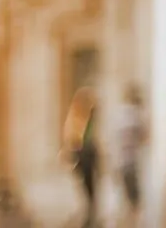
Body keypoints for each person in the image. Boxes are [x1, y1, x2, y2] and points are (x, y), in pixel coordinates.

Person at [62, 87, 100, 228]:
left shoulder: (87, 117)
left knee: (90, 188)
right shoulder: (76, 117)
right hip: (83, 154)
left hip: (88, 154)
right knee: (87, 188)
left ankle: (89, 216)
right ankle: (87, 216)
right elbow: (73, 138)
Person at [115, 85, 147, 223]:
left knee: (126, 200)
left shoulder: (120, 114)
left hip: (121, 162)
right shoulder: (134, 116)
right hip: (130, 163)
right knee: (134, 202)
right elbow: (144, 136)